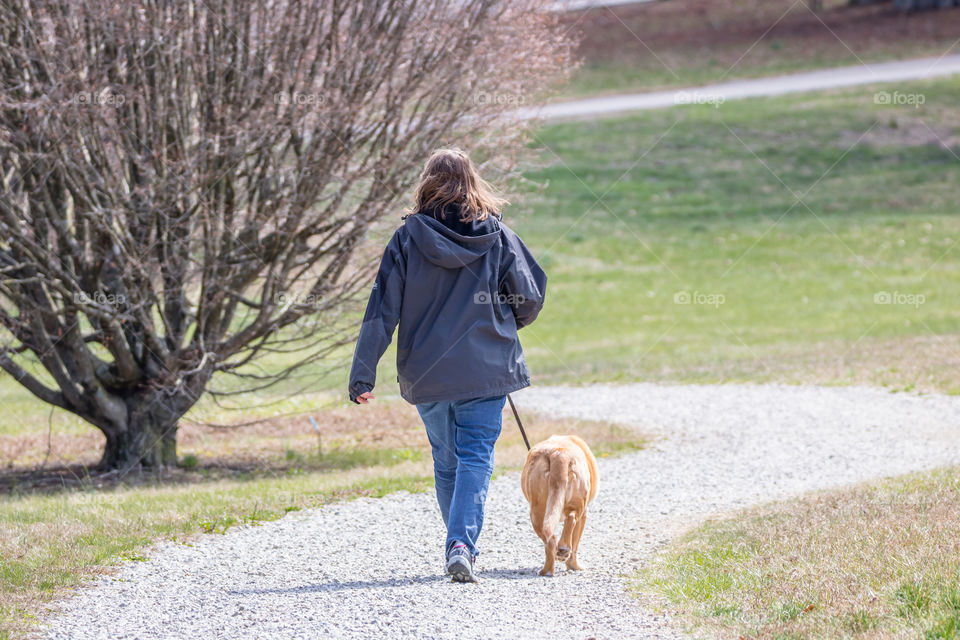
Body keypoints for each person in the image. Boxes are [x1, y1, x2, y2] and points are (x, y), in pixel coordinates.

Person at [348, 148, 547, 583]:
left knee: (446, 460)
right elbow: (529, 297)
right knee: (476, 456)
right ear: (472, 181)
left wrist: (362, 373)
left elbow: (382, 311)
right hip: (486, 366)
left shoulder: (406, 240)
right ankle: (461, 544)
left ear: (426, 183)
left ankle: (458, 544)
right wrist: (503, 322)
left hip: (428, 371)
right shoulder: (496, 235)